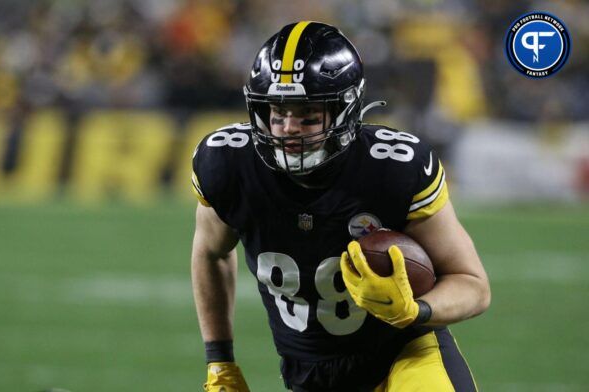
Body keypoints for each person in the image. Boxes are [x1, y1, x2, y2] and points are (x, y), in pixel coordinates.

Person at [190, 21, 490, 392]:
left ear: (346, 110)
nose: (288, 128)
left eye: (308, 115)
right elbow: (211, 252)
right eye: (277, 113)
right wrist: (220, 362)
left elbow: (473, 285)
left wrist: (416, 311)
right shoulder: (228, 164)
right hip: (310, 373)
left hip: (404, 354)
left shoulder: (392, 167)